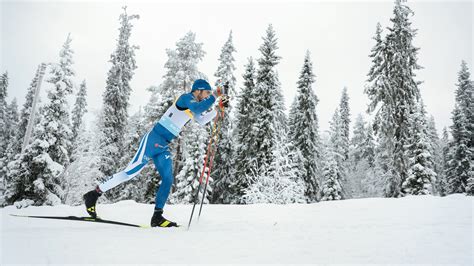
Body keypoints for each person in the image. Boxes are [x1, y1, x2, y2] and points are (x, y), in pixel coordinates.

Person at [83, 79, 228, 227]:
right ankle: (94, 194)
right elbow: (198, 108)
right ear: (198, 90)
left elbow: (202, 119)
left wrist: (218, 110)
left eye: (209, 93)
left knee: (167, 179)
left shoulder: (194, 106)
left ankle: (157, 217)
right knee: (129, 173)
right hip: (152, 141)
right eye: (206, 93)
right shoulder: (186, 98)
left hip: (163, 146)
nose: (207, 96)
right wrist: (215, 95)